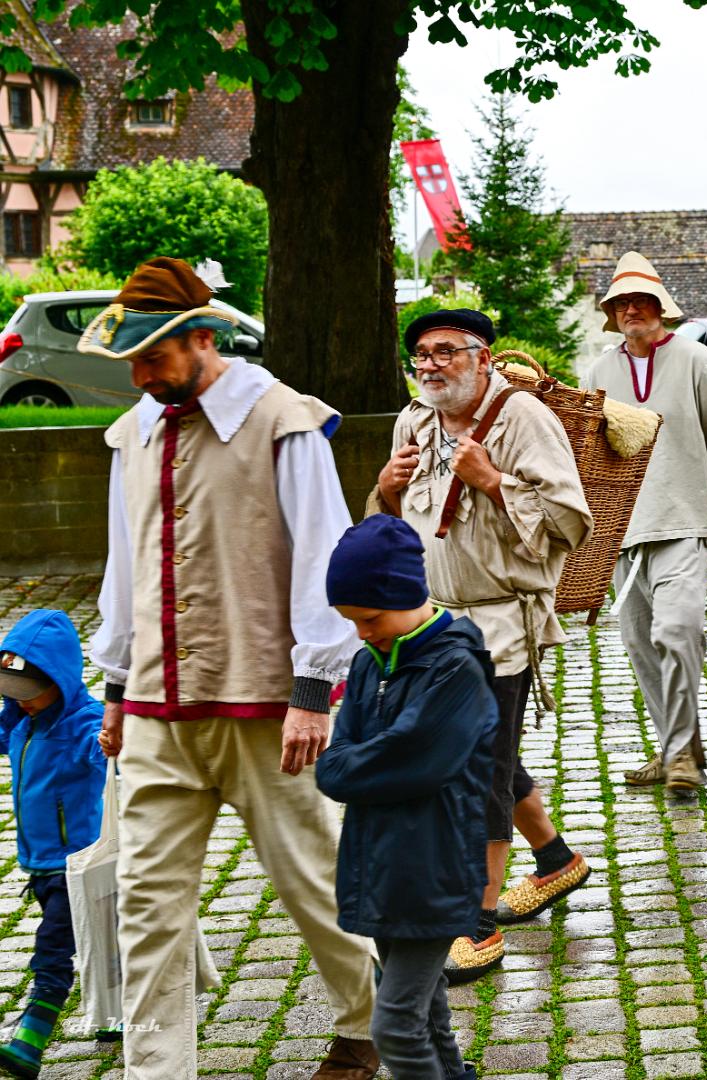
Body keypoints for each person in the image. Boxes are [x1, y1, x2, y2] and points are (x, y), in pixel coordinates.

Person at [80, 258, 380, 1080]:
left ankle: (367, 1022)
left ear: (201, 339)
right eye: (133, 363)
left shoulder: (283, 421)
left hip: (267, 709)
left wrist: (316, 692)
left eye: (154, 359)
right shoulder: (132, 432)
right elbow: (124, 569)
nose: (141, 377)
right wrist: (114, 686)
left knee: (312, 885)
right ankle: (158, 1070)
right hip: (154, 711)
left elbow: (327, 559)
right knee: (146, 906)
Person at [373, 308, 594, 981]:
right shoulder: (413, 421)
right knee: (470, 753)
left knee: (477, 769)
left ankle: (478, 922)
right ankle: (556, 859)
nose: (432, 364)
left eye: (447, 351)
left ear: (483, 357)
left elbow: (570, 522)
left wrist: (492, 481)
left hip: (499, 625)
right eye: (421, 354)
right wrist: (385, 490)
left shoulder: (522, 418)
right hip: (428, 623)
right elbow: (394, 521)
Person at [316, 516, 497, 1080]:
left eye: (369, 618)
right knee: (428, 1012)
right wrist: (351, 762)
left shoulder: (457, 669)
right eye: (352, 623)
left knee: (394, 1024)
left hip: (434, 871)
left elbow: (411, 758)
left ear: (404, 594)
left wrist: (349, 763)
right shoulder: (370, 664)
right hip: (383, 868)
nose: (362, 633)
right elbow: (339, 760)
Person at [581, 252, 707, 791]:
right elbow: (590, 453)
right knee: (638, 643)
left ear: (661, 308)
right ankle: (679, 749)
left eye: (642, 300)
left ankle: (679, 752)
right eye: (623, 302)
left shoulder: (697, 361)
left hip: (684, 519)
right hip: (623, 531)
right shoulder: (599, 371)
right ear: (613, 312)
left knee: (678, 631)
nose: (633, 309)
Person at [0, 611, 107, 1079]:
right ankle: (119, 1016)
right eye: (12, 693)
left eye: (29, 693)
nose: (21, 703)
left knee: (53, 947)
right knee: (106, 942)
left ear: (61, 680)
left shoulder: (84, 724)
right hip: (42, 865)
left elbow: (104, 750)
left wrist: (110, 744)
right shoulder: (23, 722)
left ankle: (33, 1034)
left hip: (77, 864)